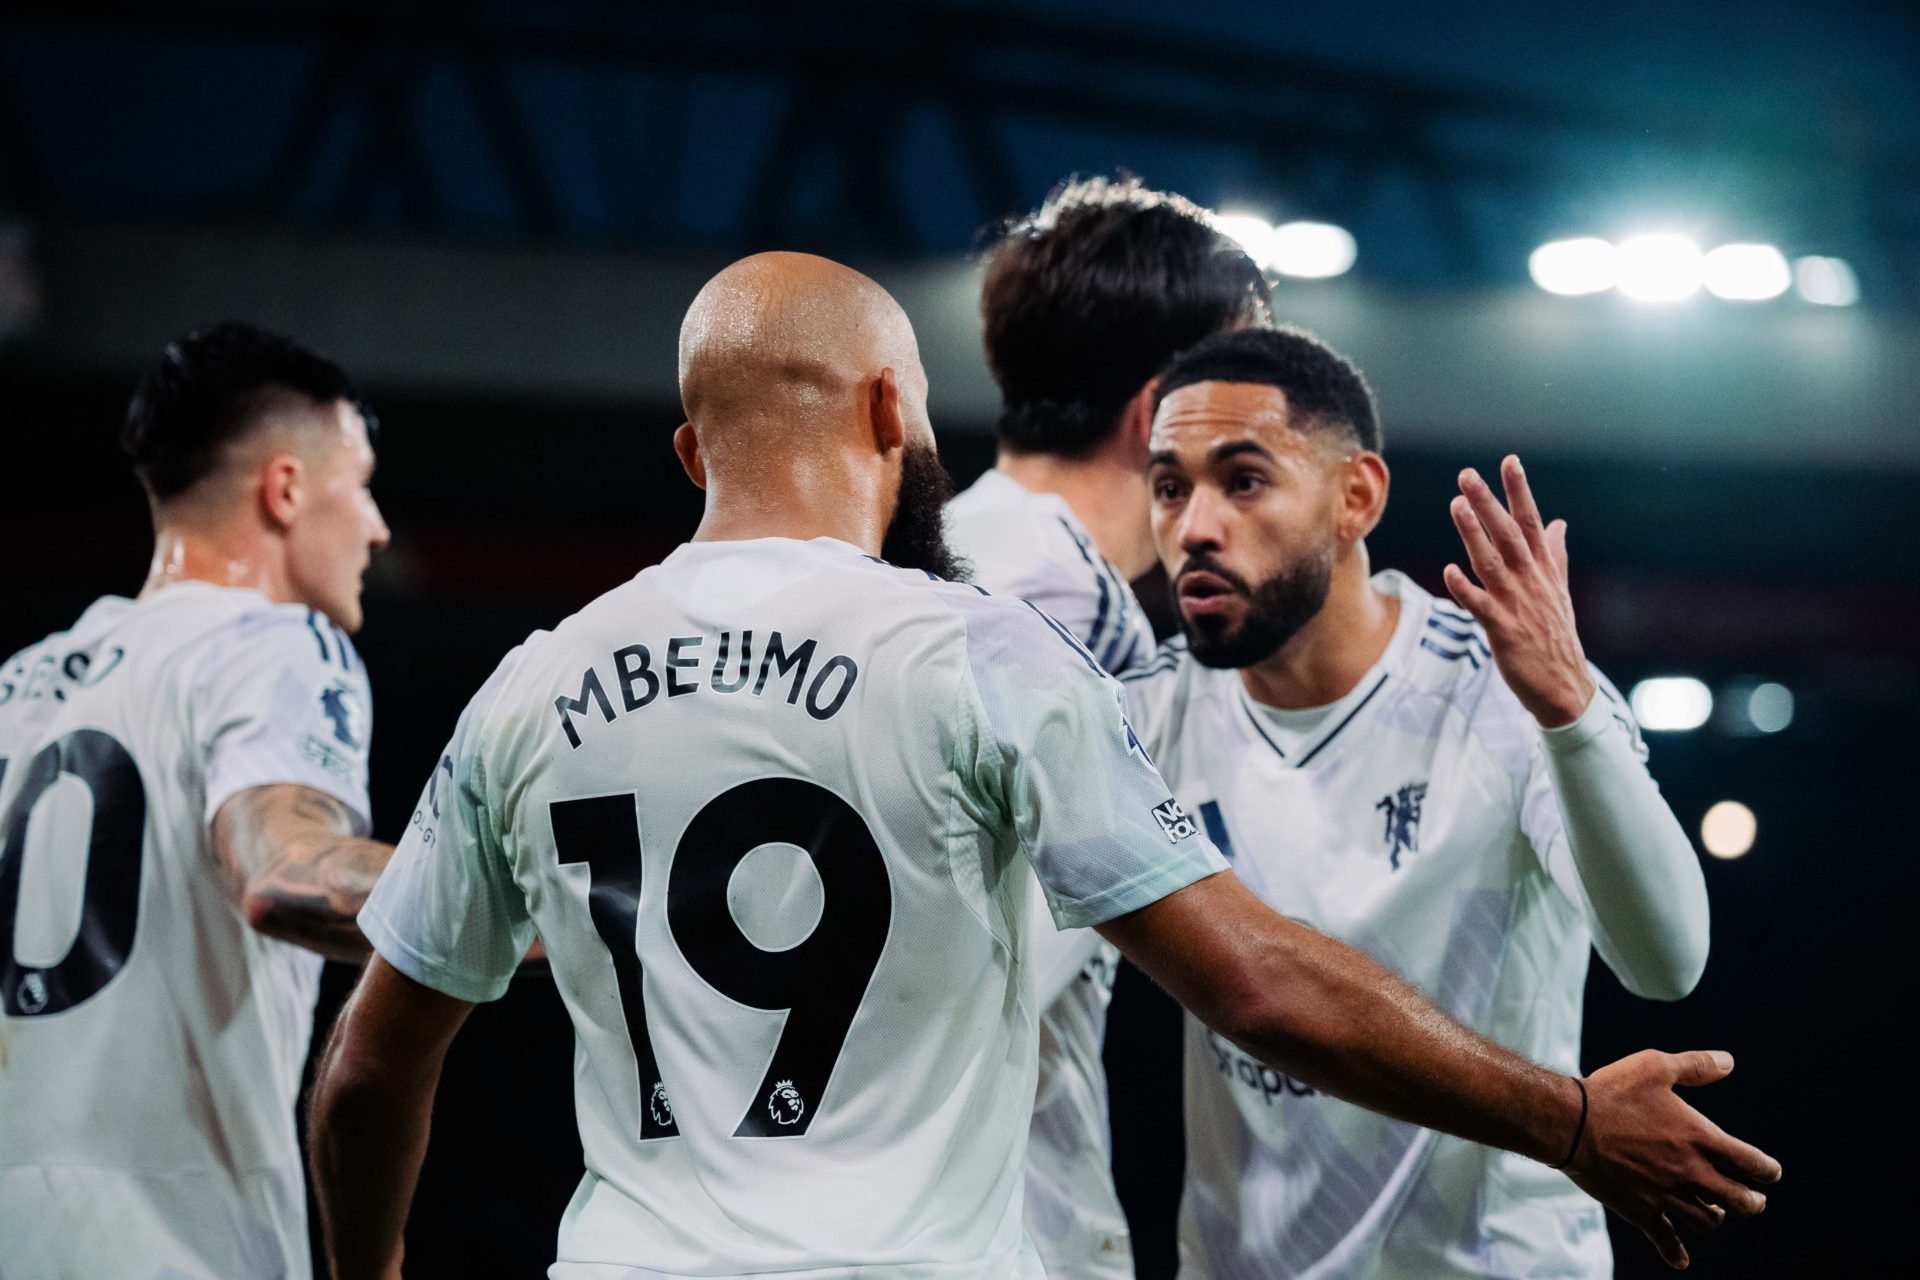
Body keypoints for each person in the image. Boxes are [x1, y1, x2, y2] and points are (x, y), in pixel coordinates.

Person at [307, 252, 1775, 1280]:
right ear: (893, 414)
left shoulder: (531, 689)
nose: (1192, 524)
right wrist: (1568, 1118)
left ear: (694, 452)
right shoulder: (987, 661)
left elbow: (366, 1073)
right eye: (1172, 483)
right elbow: (1255, 981)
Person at [1126, 326, 1718, 1276]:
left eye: (1243, 481)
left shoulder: (1504, 688)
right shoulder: (1142, 719)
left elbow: (1667, 962)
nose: (1194, 526)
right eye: (1168, 487)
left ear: (1355, 497)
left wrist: (1571, 714)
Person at [0, 322, 395, 1279]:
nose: (378, 526)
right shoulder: (275, 644)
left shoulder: (17, 685)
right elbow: (284, 871)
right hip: (177, 1247)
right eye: (362, 484)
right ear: (285, 489)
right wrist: (531, 898)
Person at [947, 174, 1269, 1275]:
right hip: (993, 1234)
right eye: (1247, 383)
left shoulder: (942, 553)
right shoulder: (1065, 612)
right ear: (1159, 413)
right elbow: (972, 994)